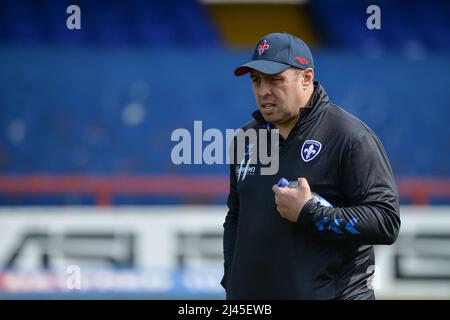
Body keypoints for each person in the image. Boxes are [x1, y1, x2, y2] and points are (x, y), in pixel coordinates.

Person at [221, 32, 400, 300]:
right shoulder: (245, 139)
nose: (263, 91)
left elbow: (386, 222)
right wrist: (232, 281)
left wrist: (311, 213)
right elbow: (236, 215)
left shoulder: (349, 137)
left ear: (306, 78)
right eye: (256, 80)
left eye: (274, 80)